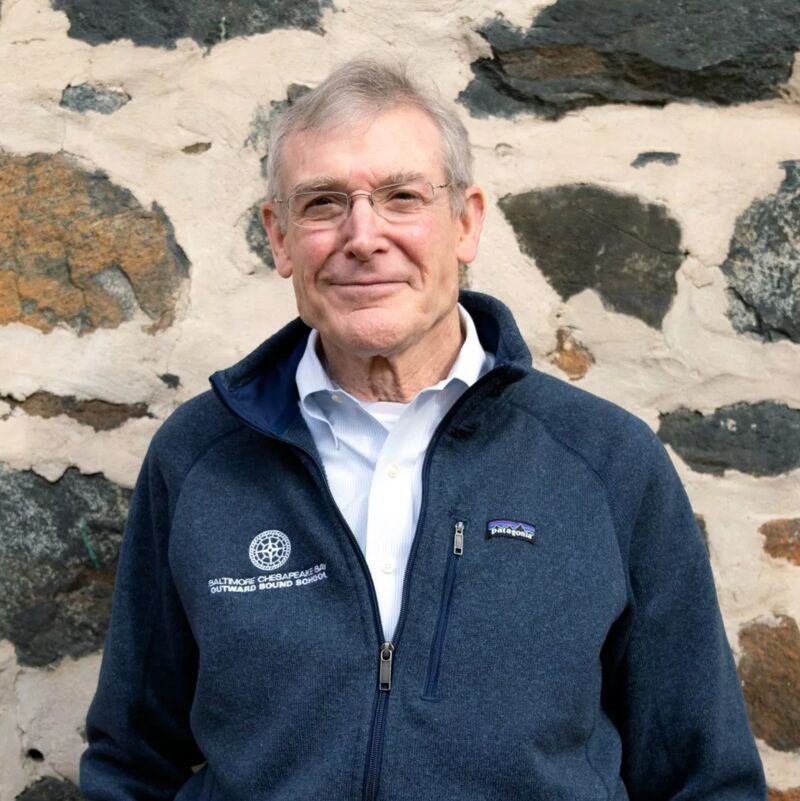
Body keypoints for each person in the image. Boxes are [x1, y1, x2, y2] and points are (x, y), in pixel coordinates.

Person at [80, 59, 766, 801]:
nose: (363, 236)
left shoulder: (607, 464)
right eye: (323, 204)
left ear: (466, 222)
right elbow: (132, 758)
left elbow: (706, 776)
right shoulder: (199, 459)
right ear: (279, 238)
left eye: (401, 197)